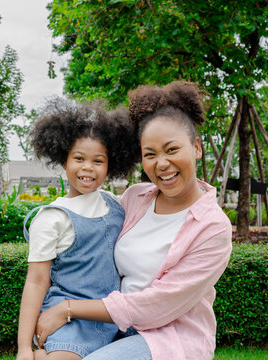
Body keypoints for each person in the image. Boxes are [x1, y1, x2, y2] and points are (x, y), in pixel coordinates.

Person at [34, 81, 233, 360]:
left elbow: (157, 306)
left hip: (169, 340)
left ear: (197, 148)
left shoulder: (213, 227)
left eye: (172, 150)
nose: (161, 163)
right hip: (112, 329)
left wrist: (69, 308)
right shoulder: (135, 198)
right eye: (150, 154)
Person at [17, 100, 138, 360]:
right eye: (79, 158)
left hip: (112, 316)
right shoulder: (52, 218)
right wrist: (24, 348)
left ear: (110, 165)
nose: (87, 168)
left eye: (98, 160)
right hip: (70, 322)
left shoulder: (114, 204)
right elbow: (37, 281)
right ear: (64, 161)